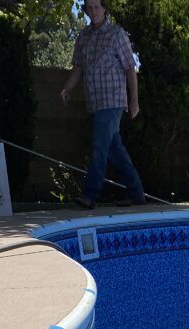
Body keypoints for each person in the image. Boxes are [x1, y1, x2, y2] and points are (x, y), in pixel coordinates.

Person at [60, 0, 145, 209]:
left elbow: (130, 69)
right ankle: (136, 193)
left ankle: (90, 195)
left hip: (113, 101)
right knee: (115, 151)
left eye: (96, 7)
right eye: (89, 8)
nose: (93, 12)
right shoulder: (84, 36)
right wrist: (68, 88)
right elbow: (78, 67)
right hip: (95, 102)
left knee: (99, 146)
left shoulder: (117, 34)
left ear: (104, 8)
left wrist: (134, 100)